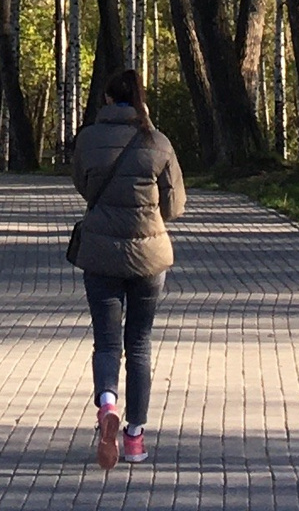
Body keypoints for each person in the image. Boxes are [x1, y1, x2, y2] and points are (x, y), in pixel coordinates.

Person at [66, 66, 185, 469]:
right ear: (140, 99)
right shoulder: (159, 142)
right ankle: (134, 437)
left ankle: (106, 405)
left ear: (105, 100)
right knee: (139, 344)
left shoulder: (89, 138)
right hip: (150, 258)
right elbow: (175, 205)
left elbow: (83, 185)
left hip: (100, 253)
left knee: (106, 342)